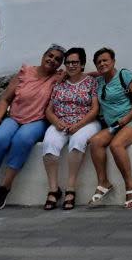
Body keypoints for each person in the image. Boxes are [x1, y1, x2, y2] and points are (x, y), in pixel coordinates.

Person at [0, 44, 65, 211]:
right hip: (14, 117)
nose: (52, 60)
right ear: (43, 55)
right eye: (50, 56)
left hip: (37, 121)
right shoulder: (25, 73)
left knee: (22, 140)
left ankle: (5, 187)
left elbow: (82, 74)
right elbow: (4, 99)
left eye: (57, 60)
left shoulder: (58, 78)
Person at [39, 46, 100, 210]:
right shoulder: (59, 84)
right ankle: (53, 189)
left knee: (77, 142)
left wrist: (78, 125)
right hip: (61, 122)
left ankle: (71, 188)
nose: (71, 65)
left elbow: (95, 110)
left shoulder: (90, 82)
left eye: (75, 62)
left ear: (82, 64)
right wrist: (57, 122)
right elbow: (49, 110)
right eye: (68, 63)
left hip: (86, 122)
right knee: (49, 145)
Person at [87, 47, 132, 208]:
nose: (102, 63)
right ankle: (103, 182)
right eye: (99, 62)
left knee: (116, 145)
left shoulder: (123, 75)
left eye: (105, 60)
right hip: (114, 125)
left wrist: (127, 117)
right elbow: (89, 75)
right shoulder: (99, 81)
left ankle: (130, 185)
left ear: (113, 61)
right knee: (96, 142)